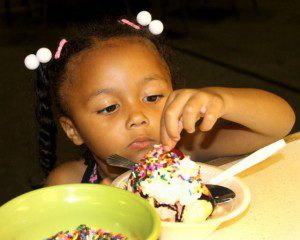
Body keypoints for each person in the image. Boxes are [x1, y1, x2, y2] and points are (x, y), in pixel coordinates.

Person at [26, 14, 295, 187]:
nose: (137, 117)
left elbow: (278, 126)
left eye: (152, 97)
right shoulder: (69, 184)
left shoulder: (188, 149)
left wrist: (223, 100)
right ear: (72, 130)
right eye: (109, 107)